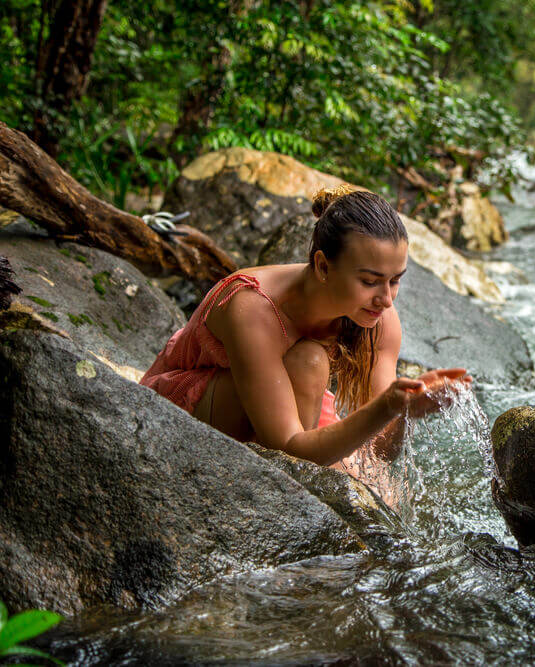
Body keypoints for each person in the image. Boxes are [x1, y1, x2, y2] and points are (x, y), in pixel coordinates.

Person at [140, 183, 470, 477]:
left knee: (375, 483)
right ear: (323, 266)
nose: (386, 299)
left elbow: (379, 453)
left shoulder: (378, 317)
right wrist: (386, 406)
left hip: (283, 405)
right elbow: (288, 448)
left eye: (395, 280)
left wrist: (405, 410)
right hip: (177, 409)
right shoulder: (253, 307)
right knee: (310, 361)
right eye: (369, 281)